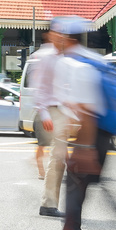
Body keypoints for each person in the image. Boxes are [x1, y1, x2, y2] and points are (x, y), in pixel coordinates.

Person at [49, 17, 108, 230]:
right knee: (80, 191)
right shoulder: (95, 59)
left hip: (89, 137)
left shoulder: (72, 65)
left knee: (74, 192)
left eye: (61, 36)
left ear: (67, 39)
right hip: (102, 135)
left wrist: (85, 150)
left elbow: (86, 109)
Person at [32, 27, 66, 216]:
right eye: (58, 33)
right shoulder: (44, 56)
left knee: (60, 160)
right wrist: (45, 114)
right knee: (57, 158)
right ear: (50, 35)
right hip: (51, 112)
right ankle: (48, 204)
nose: (62, 37)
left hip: (61, 111)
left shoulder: (61, 58)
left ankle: (50, 203)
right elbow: (39, 88)